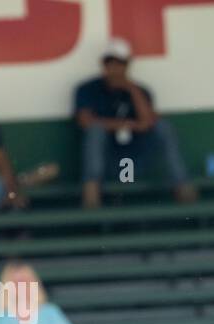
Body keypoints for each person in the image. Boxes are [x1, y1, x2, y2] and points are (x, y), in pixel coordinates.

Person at [74, 38, 197, 208]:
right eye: (111, 63)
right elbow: (85, 121)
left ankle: (183, 189)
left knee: (163, 127)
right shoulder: (88, 88)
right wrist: (127, 125)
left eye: (120, 64)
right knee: (95, 132)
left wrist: (131, 89)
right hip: (108, 161)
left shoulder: (140, 91)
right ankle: (91, 197)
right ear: (103, 64)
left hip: (133, 162)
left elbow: (148, 122)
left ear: (128, 65)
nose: (115, 68)